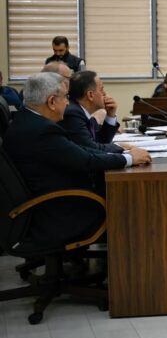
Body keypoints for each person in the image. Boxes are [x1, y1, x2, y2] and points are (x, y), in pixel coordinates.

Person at [2, 73, 149, 245]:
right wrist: (128, 159)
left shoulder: (27, 121)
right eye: (65, 97)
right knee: (129, 206)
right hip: (57, 215)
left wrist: (124, 156)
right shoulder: (41, 131)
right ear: (51, 102)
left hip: (45, 207)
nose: (68, 103)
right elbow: (86, 160)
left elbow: (80, 150)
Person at [58, 71, 126, 154]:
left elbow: (100, 141)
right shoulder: (72, 114)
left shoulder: (79, 111)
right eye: (101, 90)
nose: (104, 93)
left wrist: (110, 116)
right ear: (90, 95)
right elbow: (91, 148)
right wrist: (120, 147)